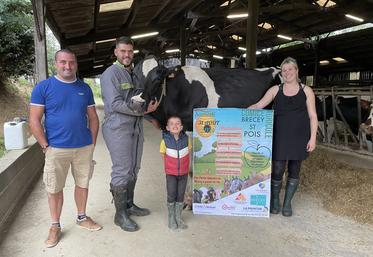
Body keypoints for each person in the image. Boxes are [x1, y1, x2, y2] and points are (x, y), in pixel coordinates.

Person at [29, 49, 101, 248]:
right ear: (56, 64)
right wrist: (45, 145)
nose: (67, 66)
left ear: (76, 64)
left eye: (71, 62)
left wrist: (92, 143)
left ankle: (81, 217)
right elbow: (34, 120)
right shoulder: (44, 88)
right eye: (63, 62)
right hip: (56, 148)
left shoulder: (84, 88)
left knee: (83, 184)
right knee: (54, 188)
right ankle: (55, 226)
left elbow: (93, 118)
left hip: (83, 148)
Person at [100, 36, 159, 232]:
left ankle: (129, 204)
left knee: (134, 167)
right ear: (116, 52)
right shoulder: (111, 74)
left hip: (135, 127)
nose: (127, 55)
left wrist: (151, 115)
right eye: (123, 51)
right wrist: (142, 111)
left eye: (130, 51)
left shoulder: (133, 73)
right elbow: (114, 104)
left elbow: (139, 99)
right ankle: (120, 215)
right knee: (122, 169)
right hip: (118, 128)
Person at [249, 57, 318, 217]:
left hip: (300, 137)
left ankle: (287, 203)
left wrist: (313, 137)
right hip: (279, 136)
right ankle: (275, 201)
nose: (287, 73)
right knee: (278, 169)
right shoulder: (275, 90)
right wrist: (239, 113)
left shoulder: (306, 91)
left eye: (290, 69)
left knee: (294, 170)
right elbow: (259, 106)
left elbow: (313, 116)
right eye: (284, 70)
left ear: (296, 71)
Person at [160, 116, 191, 230]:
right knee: (171, 194)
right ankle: (171, 218)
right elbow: (163, 154)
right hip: (171, 173)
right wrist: (170, 167)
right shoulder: (165, 141)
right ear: (168, 128)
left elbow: (188, 153)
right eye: (172, 124)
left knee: (180, 195)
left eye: (178, 123)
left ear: (181, 127)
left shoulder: (187, 139)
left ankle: (178, 217)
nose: (175, 125)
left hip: (183, 173)